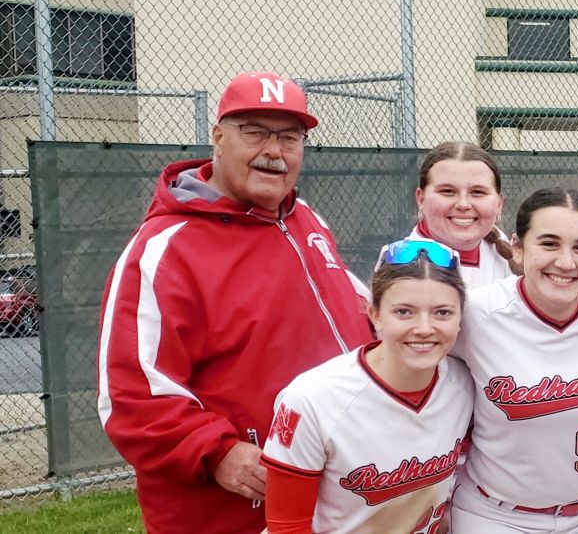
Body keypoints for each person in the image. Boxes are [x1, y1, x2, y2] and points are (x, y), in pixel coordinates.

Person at [95, 72, 373, 534]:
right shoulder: (164, 250)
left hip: (331, 490)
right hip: (231, 510)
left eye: (289, 137)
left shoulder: (305, 219)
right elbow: (132, 395)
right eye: (255, 132)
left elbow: (358, 312)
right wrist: (218, 452)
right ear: (218, 138)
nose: (273, 150)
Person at [448, 188, 578, 532]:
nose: (565, 262)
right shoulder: (475, 314)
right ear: (518, 247)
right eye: (549, 243)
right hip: (494, 514)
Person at [261, 240, 474, 533]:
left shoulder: (464, 384)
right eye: (404, 312)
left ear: (461, 316)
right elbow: (287, 526)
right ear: (375, 314)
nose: (424, 327)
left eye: (442, 313)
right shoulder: (313, 398)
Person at [400, 141, 519, 288]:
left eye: (477, 192)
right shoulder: (402, 268)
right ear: (421, 199)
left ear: (499, 204)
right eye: (447, 191)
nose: (463, 204)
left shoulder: (499, 247)